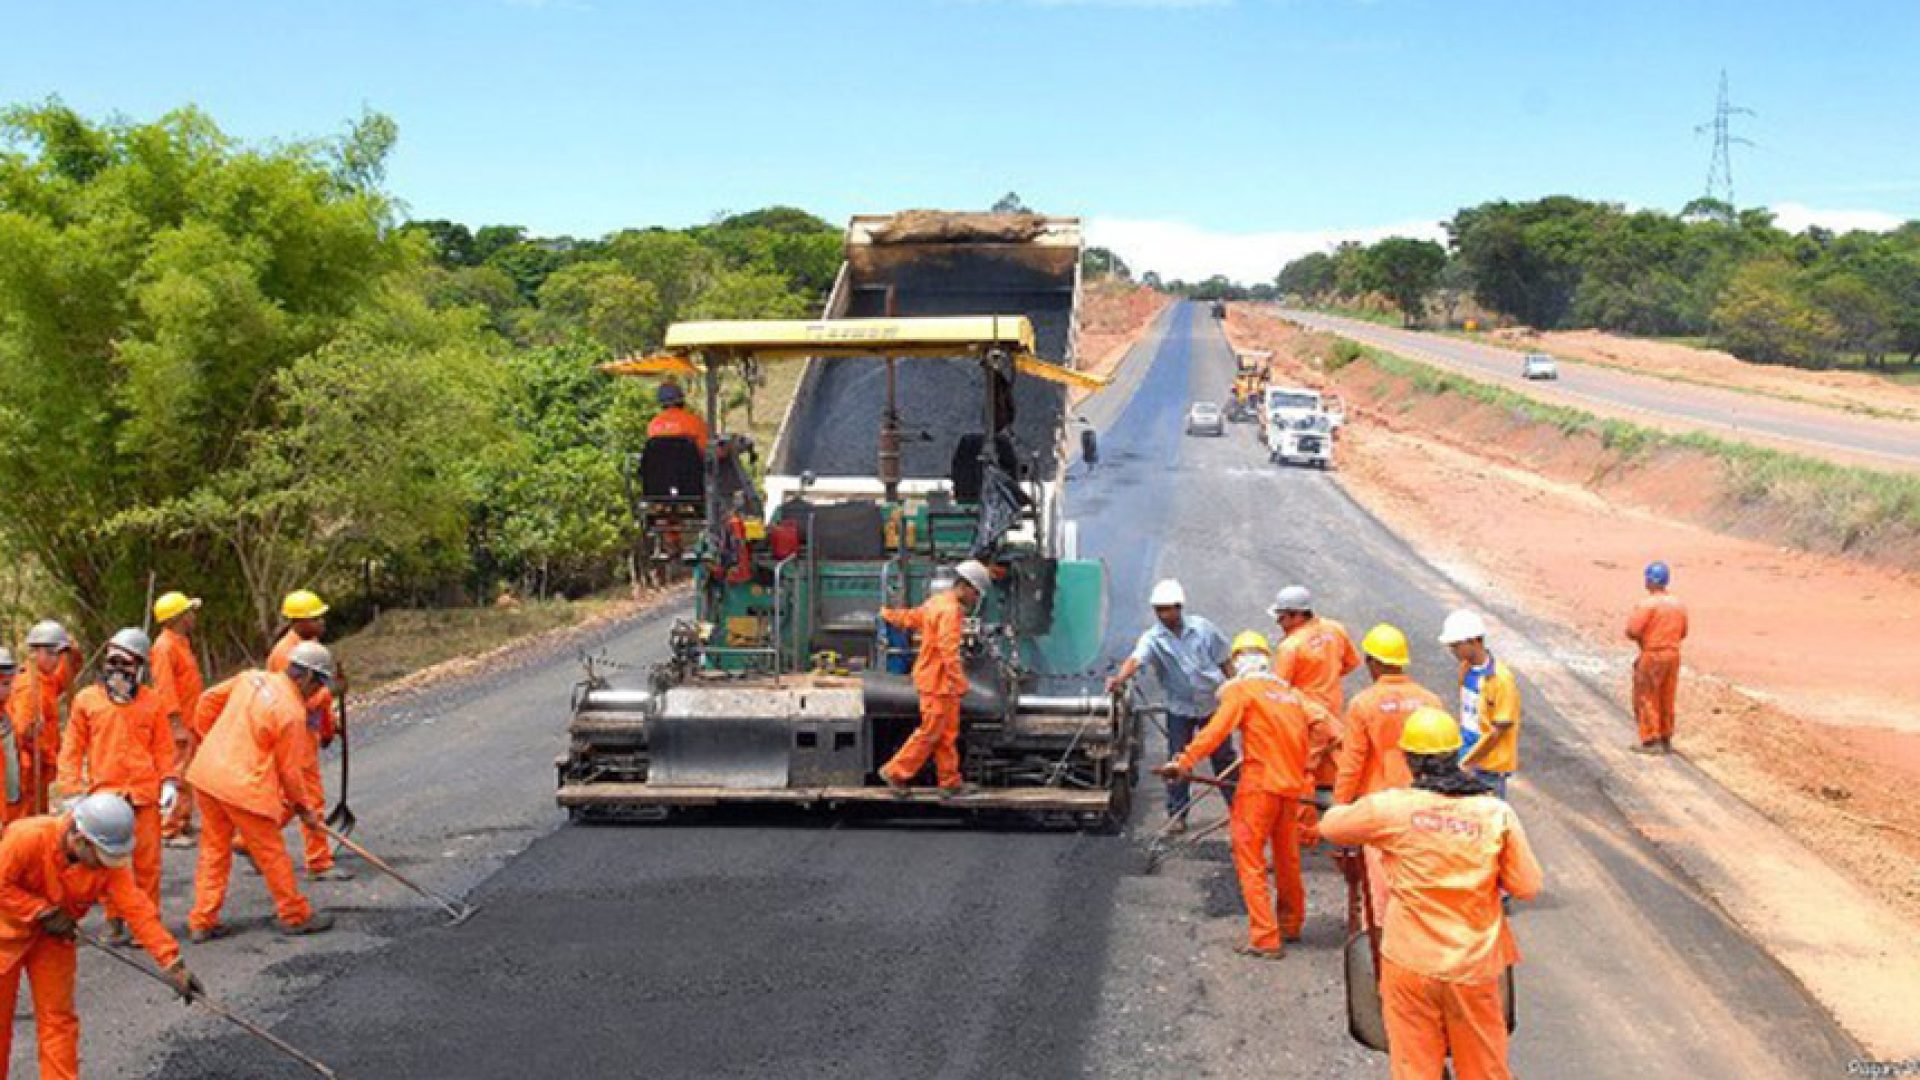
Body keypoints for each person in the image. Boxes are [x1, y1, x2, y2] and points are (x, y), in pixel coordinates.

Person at [1320, 710, 1543, 1080]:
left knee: (1415, 1068)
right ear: (1456, 756)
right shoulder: (1494, 813)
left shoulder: (1392, 807)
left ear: (1409, 760)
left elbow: (1332, 826)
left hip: (1409, 963)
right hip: (1472, 965)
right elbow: (1527, 885)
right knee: (1485, 1069)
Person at [1157, 631, 1333, 958]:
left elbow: (1216, 730)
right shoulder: (1290, 694)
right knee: (1287, 856)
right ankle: (1291, 924)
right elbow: (1328, 727)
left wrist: (1184, 761)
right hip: (1291, 786)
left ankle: (1265, 938)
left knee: (1249, 856)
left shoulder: (1242, 690)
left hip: (1259, 786)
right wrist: (1307, 759)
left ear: (1238, 661)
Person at [0, 794, 201, 1080]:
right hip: (5, 937)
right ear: (79, 840)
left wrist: (173, 963)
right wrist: (39, 911)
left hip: (53, 941)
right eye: (100, 856)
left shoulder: (108, 866)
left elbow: (137, 908)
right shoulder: (27, 837)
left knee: (58, 1021)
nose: (104, 865)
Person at [186, 642, 338, 941]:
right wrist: (304, 809)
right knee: (272, 853)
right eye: (318, 682)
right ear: (305, 676)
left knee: (214, 850)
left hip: (207, 774)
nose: (318, 690)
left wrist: (213, 741)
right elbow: (290, 773)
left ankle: (202, 920)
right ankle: (295, 915)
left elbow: (205, 702)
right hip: (242, 785)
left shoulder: (250, 678)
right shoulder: (292, 714)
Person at [53, 629, 179, 947]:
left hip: (143, 794)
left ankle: (146, 923)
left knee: (147, 864)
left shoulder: (153, 702)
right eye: (113, 663)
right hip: (103, 795)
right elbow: (72, 748)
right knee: (106, 863)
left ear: (139, 667)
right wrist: (71, 789)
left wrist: (169, 781)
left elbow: (164, 748)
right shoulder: (87, 700)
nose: (119, 671)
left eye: (127, 664)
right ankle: (114, 920)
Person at [1333, 623, 1447, 924]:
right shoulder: (1431, 701)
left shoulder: (1363, 704)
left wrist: (1340, 810)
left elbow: (1351, 763)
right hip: (1427, 803)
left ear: (1373, 662)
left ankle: (1385, 942)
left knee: (1382, 884)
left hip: (1380, 807)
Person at [1107, 579, 1234, 831]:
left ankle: (1238, 808)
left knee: (1223, 758)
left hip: (1213, 703)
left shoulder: (1203, 629)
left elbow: (1224, 660)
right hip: (1180, 708)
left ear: (1179, 607)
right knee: (1178, 761)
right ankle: (1178, 814)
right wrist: (1120, 679)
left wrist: (1240, 689)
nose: (1164, 615)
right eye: (1159, 610)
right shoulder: (1154, 639)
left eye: (1168, 609)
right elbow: (1136, 659)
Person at [878, 560, 989, 795]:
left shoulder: (938, 602)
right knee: (931, 732)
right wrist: (960, 682)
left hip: (938, 681)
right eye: (976, 593)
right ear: (966, 587)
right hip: (937, 682)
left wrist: (890, 615)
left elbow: (914, 618)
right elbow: (948, 651)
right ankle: (895, 772)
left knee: (946, 734)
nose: (976, 599)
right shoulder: (951, 612)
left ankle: (949, 782)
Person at [266, 590, 352, 882]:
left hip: (308, 730)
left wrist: (330, 724)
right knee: (307, 797)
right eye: (317, 617)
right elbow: (294, 703)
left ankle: (248, 840)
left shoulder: (309, 645)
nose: (323, 622)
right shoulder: (286, 654)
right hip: (294, 733)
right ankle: (319, 861)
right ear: (300, 621)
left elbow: (317, 698)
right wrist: (332, 691)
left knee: (295, 798)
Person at [1269, 585, 1360, 840]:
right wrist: (1326, 678)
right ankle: (1345, 821)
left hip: (1306, 719)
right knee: (1336, 767)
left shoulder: (1291, 646)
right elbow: (1351, 663)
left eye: (1282, 617)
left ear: (1297, 615)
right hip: (1332, 712)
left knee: (1302, 772)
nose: (1279, 622)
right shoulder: (1335, 630)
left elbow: (1279, 691)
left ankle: (1305, 831)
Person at [1437, 610, 1522, 799]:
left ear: (1475, 641)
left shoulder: (1501, 680)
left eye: (1457, 645)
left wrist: (1469, 762)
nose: (1453, 651)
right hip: (1467, 757)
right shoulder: (1466, 669)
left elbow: (1497, 732)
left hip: (1488, 768)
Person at [9, 620, 81, 820]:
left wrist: (72, 654)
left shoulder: (45, 679)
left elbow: (64, 677)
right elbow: (23, 731)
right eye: (49, 653)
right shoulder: (28, 684)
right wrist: (41, 744)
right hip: (28, 768)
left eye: (57, 654)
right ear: (34, 653)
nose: (55, 659)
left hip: (40, 767)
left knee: (38, 815)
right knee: (25, 819)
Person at [150, 591, 206, 845]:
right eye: (189, 612)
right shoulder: (164, 647)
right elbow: (165, 688)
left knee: (188, 772)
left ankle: (182, 820)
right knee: (177, 772)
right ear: (178, 617)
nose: (193, 617)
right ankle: (169, 828)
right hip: (179, 721)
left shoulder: (180, 642)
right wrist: (175, 723)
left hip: (191, 718)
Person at [1626, 561, 1689, 755]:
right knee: (1666, 695)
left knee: (1647, 695)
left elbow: (1632, 630)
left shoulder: (1647, 605)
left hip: (1653, 654)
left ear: (1650, 581)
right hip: (1673, 654)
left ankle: (1651, 738)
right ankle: (1665, 735)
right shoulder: (1678, 605)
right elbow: (1684, 632)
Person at [647, 381, 710, 453]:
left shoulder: (653, 425)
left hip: (660, 464)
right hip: (688, 463)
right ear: (682, 400)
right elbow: (704, 451)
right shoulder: (696, 422)